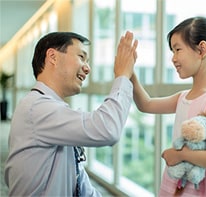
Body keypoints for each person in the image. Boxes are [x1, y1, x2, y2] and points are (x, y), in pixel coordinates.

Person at [4, 31, 138, 196]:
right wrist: (122, 76)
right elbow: (107, 129)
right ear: (52, 56)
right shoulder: (37, 107)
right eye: (81, 57)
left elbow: (80, 184)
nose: (87, 68)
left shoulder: (52, 109)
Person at [131, 17, 206, 196]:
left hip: (205, 189)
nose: (173, 58)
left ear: (202, 49)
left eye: (177, 49)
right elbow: (145, 104)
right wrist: (130, 73)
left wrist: (181, 155)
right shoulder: (183, 97)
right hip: (182, 185)